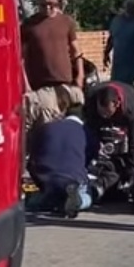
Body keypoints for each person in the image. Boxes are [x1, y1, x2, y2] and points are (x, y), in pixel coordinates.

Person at [21, 0, 85, 120]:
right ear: (38, 2)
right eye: (43, 4)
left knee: (70, 124)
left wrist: (80, 76)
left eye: (52, 4)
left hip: (66, 84)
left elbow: (76, 51)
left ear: (59, 2)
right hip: (40, 87)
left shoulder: (67, 22)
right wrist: (26, 86)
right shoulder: (29, 25)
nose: (48, 8)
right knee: (46, 127)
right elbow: (22, 58)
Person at [25, 87, 92, 217]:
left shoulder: (46, 128)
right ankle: (79, 201)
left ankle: (44, 200)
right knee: (87, 192)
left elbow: (32, 159)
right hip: (72, 178)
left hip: (46, 177)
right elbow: (88, 162)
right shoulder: (86, 133)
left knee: (44, 198)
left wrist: (39, 181)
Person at [84, 79, 134, 172]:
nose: (104, 116)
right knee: (89, 133)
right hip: (96, 112)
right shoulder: (92, 98)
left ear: (116, 104)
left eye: (107, 113)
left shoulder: (131, 108)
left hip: (128, 103)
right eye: (101, 112)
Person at [104, 0, 134, 86]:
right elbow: (111, 38)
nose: (129, 11)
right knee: (117, 86)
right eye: (127, 8)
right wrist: (106, 53)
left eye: (132, 8)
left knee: (132, 88)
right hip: (118, 64)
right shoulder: (116, 21)